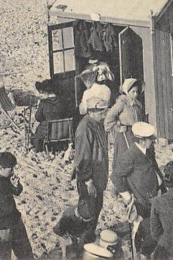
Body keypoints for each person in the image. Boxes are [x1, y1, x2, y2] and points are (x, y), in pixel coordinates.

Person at [112, 121, 163, 257]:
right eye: (150, 139)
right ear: (141, 140)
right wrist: (128, 198)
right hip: (140, 202)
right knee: (139, 233)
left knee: (153, 231)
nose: (153, 141)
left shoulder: (149, 151)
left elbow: (154, 167)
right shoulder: (130, 156)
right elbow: (116, 176)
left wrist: (161, 184)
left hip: (153, 198)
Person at [0, 151, 33, 260]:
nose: (13, 172)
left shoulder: (6, 176)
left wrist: (17, 186)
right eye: (11, 169)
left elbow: (16, 192)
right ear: (1, 167)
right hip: (2, 229)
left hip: (16, 222)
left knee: (26, 255)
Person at [73, 98, 110, 243]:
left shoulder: (97, 124)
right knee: (87, 213)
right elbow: (82, 159)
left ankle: (87, 238)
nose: (105, 114)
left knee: (96, 209)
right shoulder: (85, 129)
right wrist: (88, 182)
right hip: (89, 180)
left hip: (98, 178)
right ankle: (82, 245)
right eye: (102, 111)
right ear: (92, 111)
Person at [30, 80, 75, 152]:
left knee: (38, 133)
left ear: (45, 91)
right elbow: (69, 114)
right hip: (64, 132)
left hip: (48, 133)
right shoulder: (64, 101)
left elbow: (38, 118)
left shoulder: (43, 103)